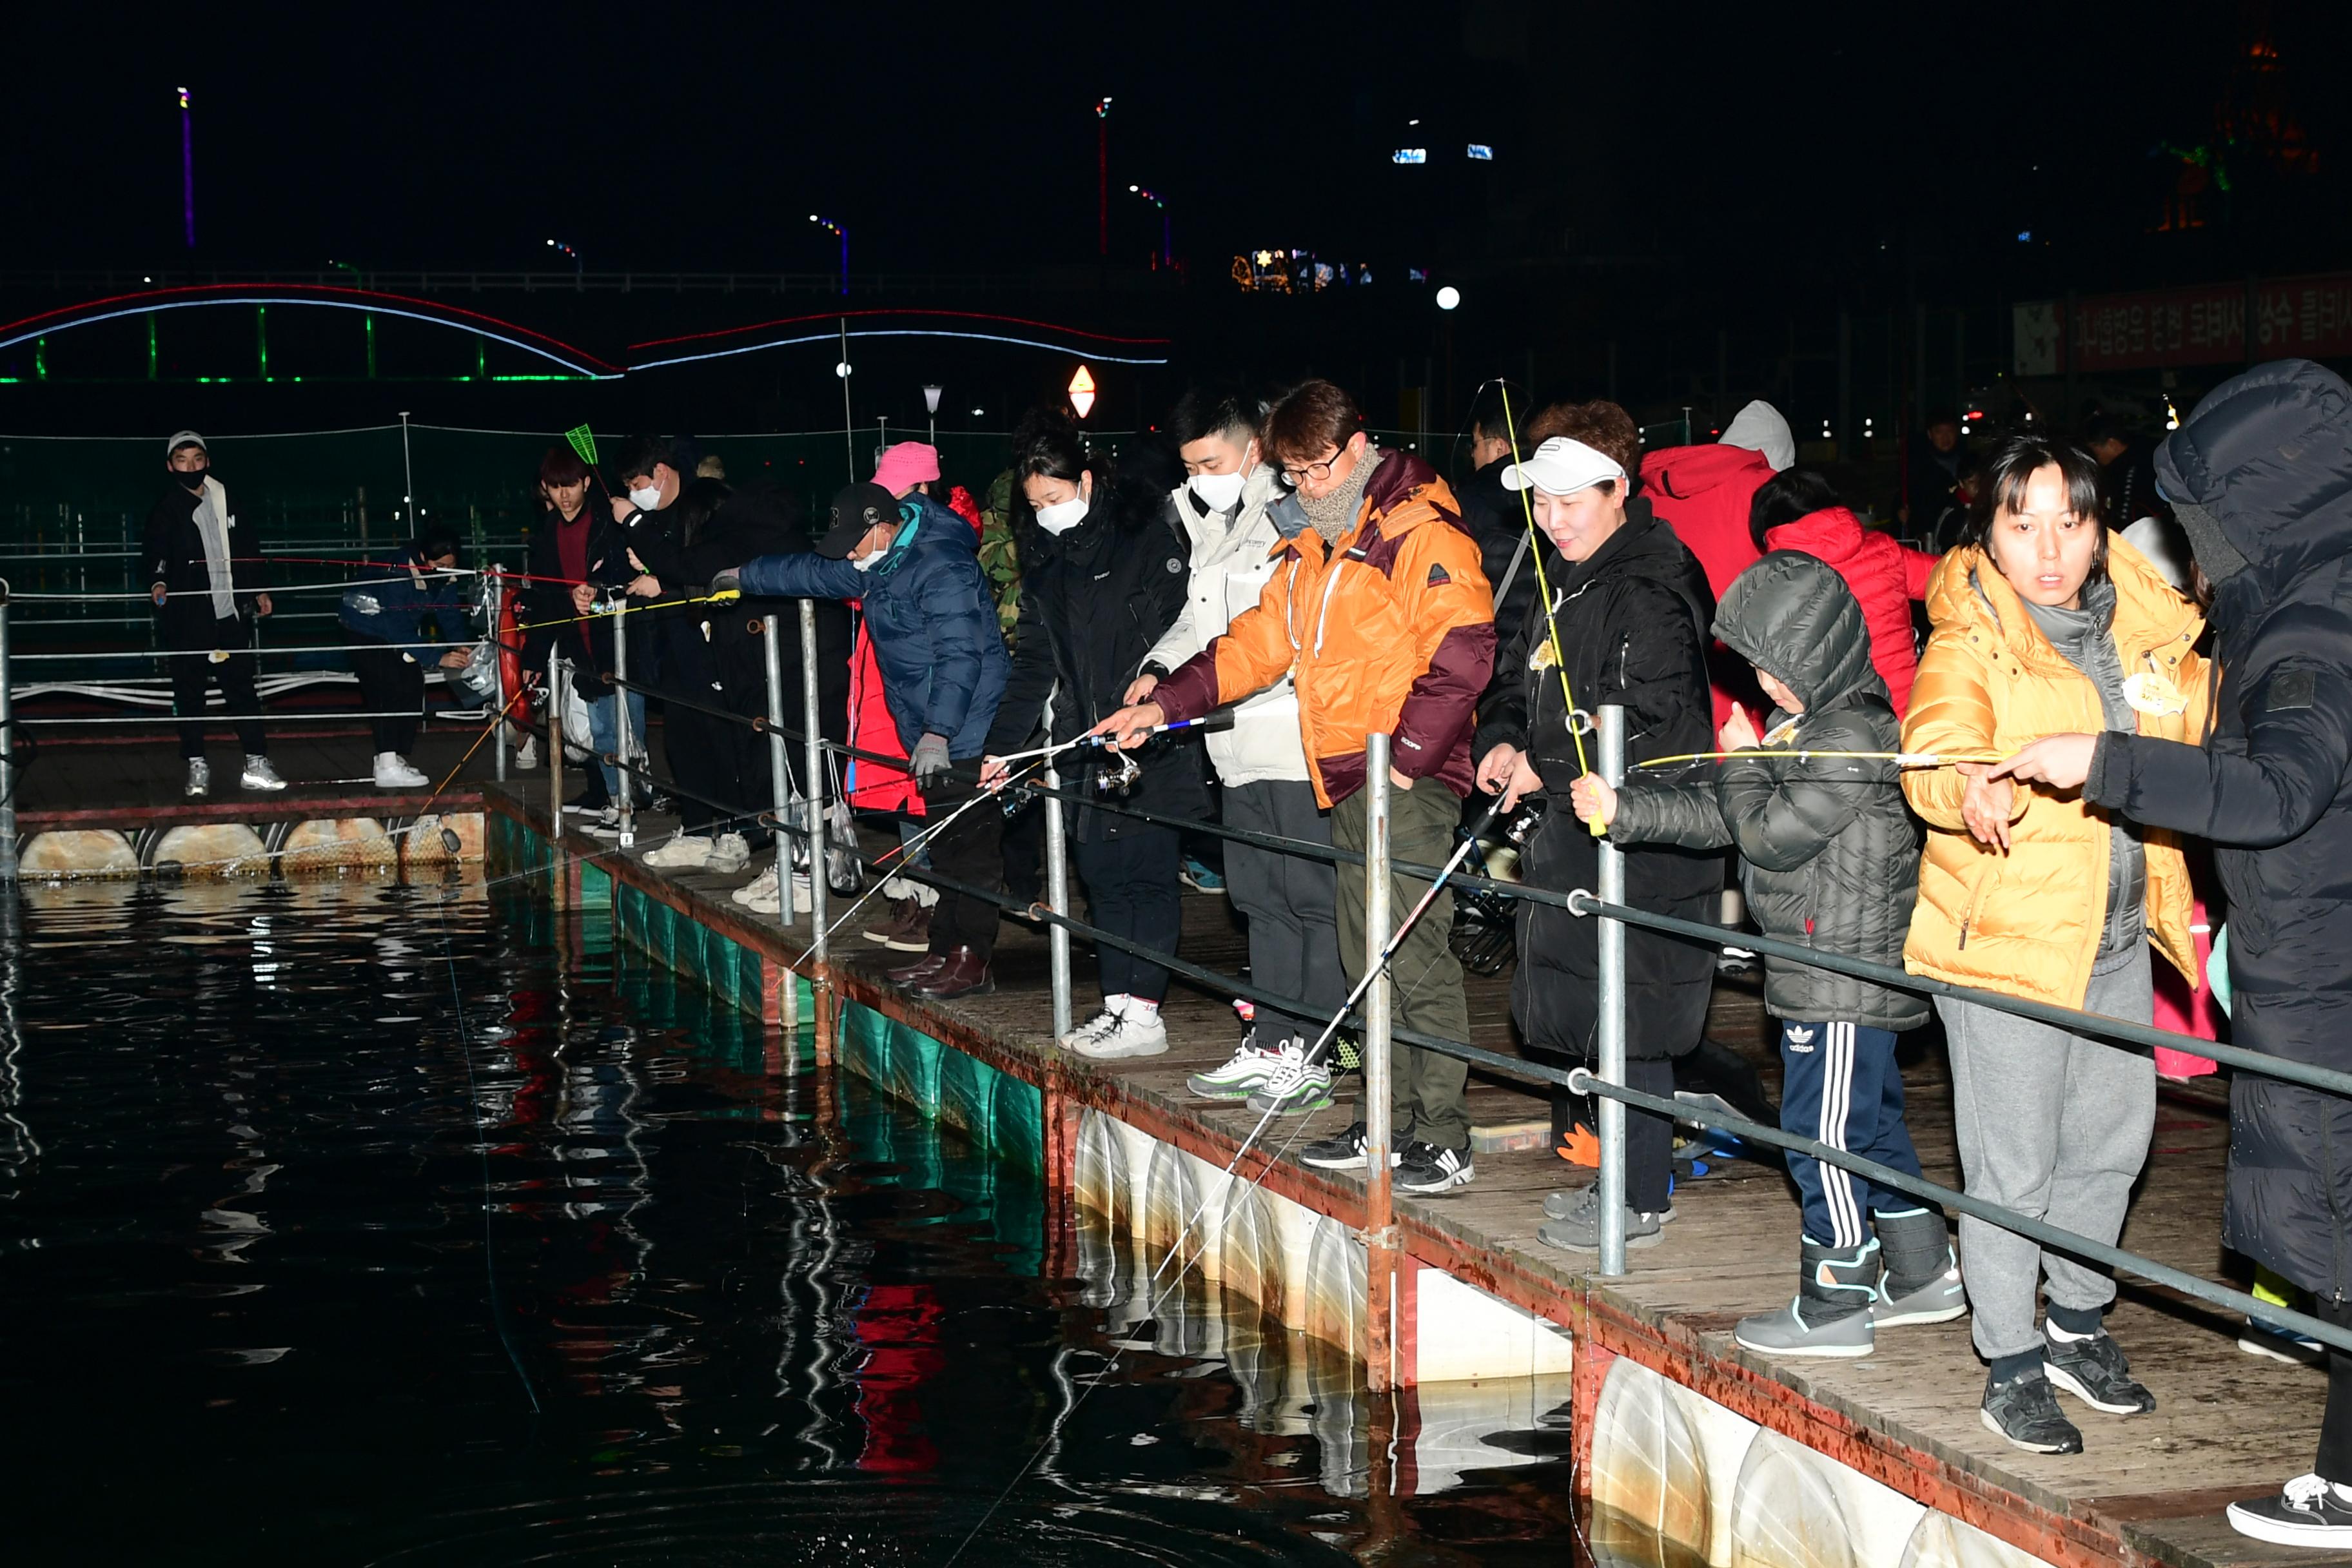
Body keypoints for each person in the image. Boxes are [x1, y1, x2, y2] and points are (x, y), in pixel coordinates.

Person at [1987, 360, 2352, 1543]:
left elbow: (2281, 787)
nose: (2189, 555)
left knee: (2339, 1214)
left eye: (2197, 525)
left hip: (2324, 958)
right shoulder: (2324, 590)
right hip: (2317, 943)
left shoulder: (2305, 630)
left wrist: (2105, 762)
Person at [1093, 378, 1495, 1194]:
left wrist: (1404, 759)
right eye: (1294, 472)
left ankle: (1443, 1134)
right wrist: (1163, 705)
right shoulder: (1314, 540)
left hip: (1403, 781)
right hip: (1348, 776)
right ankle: (1382, 1115)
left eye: (1316, 470)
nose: (1304, 485)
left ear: (1357, 446)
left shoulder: (1423, 532)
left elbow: (1463, 658)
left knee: (1411, 956)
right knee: (1362, 958)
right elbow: (1252, 646)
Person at [1900, 432, 2206, 1456]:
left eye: (2068, 522)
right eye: (2020, 523)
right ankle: (2011, 1359)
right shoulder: (1971, 636)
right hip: (2004, 946)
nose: (2048, 549)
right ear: (1987, 532)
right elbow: (1932, 754)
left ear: (2097, 525)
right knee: (2012, 1166)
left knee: (2112, 1148)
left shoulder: (2149, 629)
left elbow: (2203, 738)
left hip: (2117, 938)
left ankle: (2077, 1323)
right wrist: (1966, 786)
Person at [1569, 552, 1958, 1353]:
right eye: (1756, 668)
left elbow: (1768, 838)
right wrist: (1624, 809)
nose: (1764, 685)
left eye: (1776, 670)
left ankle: (1837, 1296)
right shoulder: (1818, 723)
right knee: (1871, 1124)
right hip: (1829, 968)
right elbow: (1724, 814)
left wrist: (1744, 757)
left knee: (1819, 1133)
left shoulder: (1851, 734)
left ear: (1818, 657)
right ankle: (1924, 1272)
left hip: (1838, 974)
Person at [1469, 415, 1720, 1248]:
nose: (1555, 520)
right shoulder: (1564, 578)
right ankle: (1620, 1178)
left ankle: (1641, 1198)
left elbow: (1655, 720)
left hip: (1643, 837)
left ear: (1622, 491)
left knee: (1635, 1019)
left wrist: (1544, 759)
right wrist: (1502, 739)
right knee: (1596, 1016)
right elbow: (1515, 674)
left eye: (1574, 502)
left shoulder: (1650, 586)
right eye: (1543, 503)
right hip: (1572, 831)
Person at [1120, 386, 1342, 1095]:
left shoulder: (1296, 515)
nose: (1196, 479)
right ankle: (1273, 1036)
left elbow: (1282, 639)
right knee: (1257, 898)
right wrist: (1158, 672)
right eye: (1187, 467)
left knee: (1312, 897)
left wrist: (1191, 690)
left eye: (1210, 461)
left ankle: (1319, 1046)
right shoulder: (1210, 520)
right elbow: (1201, 620)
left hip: (1297, 739)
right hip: (1233, 743)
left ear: (1254, 449)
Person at [719, 480, 1009, 999]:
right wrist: (747, 575)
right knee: (943, 846)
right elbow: (814, 570)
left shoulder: (942, 564)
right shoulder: (880, 562)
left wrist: (939, 733)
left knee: (971, 849)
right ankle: (944, 948)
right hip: (925, 721)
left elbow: (962, 655)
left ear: (883, 527)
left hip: (967, 720)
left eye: (855, 542)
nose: (849, 554)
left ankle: (972, 959)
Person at [980, 411, 1202, 1059]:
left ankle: (1146, 1013)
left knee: (1147, 872)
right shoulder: (1047, 564)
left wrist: (1155, 698)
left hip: (1151, 731)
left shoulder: (1141, 538)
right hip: (1084, 736)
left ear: (1083, 480)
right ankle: (1116, 1004)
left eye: (1053, 498)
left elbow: (1180, 630)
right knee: (1100, 872)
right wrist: (1006, 746)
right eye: (1033, 504)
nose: (1044, 512)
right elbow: (1034, 663)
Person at [144, 431, 284, 798]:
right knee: (190, 693)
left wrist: (259, 588)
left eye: (197, 459)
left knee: (242, 690)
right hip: (188, 617)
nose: (190, 467)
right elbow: (156, 556)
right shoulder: (165, 509)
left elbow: (247, 547)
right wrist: (159, 585)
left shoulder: (226, 500)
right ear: (170, 466)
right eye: (182, 461)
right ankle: (196, 765)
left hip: (229, 614)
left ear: (207, 462)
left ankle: (256, 762)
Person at [519, 444, 640, 832]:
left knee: (627, 728)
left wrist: (596, 586)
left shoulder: (609, 520)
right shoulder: (549, 532)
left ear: (587, 482)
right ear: (545, 489)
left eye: (571, 484)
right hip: (581, 646)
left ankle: (631, 802)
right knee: (602, 730)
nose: (564, 494)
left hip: (621, 642)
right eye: (556, 487)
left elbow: (628, 568)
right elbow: (544, 600)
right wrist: (533, 660)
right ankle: (618, 803)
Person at [1748, 469, 1936, 716]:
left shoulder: (1773, 578)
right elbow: (1956, 577)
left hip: (1832, 728)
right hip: (1902, 713)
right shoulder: (1886, 550)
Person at [337, 529, 473, 788]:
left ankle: (390, 757)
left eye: (450, 566)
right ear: (424, 557)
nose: (444, 571)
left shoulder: (441, 575)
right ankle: (387, 765)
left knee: (411, 681)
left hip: (391, 629)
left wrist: (459, 644)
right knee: (386, 684)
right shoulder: (396, 572)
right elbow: (397, 628)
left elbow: (449, 612)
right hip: (362, 626)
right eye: (439, 565)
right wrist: (437, 658)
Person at [1455, 381, 1542, 658]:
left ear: (1500, 448)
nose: (1473, 453)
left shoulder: (1469, 500)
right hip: (1546, 643)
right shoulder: (1550, 490)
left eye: (1476, 444)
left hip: (1493, 649)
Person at [1905, 410, 1968, 542]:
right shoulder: (1919, 466)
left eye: (1950, 431)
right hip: (1931, 538)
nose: (1945, 438)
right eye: (1939, 432)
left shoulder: (1969, 462)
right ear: (1930, 434)